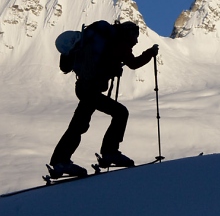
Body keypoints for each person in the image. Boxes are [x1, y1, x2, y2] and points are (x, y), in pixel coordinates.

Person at [50, 21, 159, 177]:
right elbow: (134, 64)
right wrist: (151, 52)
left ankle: (61, 161)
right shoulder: (118, 43)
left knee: (79, 124)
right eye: (135, 36)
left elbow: (66, 67)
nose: (136, 41)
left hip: (83, 88)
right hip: (91, 90)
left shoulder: (98, 38)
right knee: (119, 113)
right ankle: (108, 153)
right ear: (128, 34)